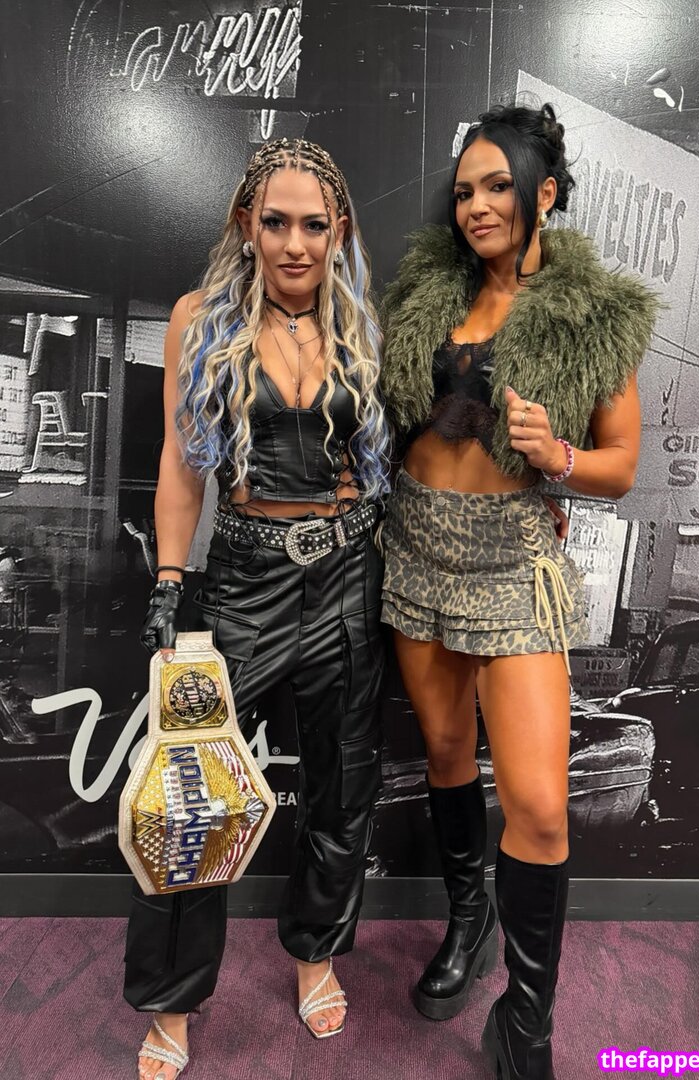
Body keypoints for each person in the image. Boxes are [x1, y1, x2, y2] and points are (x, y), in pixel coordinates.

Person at [380, 103, 659, 1080]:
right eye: (465, 190)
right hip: (417, 545)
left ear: (545, 193)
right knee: (445, 754)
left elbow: (621, 465)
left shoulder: (592, 315)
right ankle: (470, 922)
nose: (477, 206)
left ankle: (525, 1023)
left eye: (498, 186)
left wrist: (559, 459)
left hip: (511, 562)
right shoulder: (430, 293)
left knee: (539, 804)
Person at [129, 137, 390, 1080]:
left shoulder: (362, 323)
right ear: (247, 223)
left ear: (339, 229)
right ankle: (173, 997)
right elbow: (179, 461)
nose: (294, 244)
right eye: (275, 222)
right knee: (193, 794)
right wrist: (169, 582)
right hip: (243, 580)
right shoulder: (200, 317)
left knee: (342, 790)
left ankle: (315, 953)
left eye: (313, 225)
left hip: (348, 573)